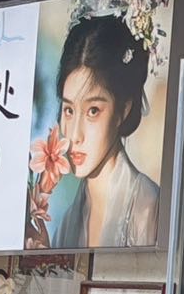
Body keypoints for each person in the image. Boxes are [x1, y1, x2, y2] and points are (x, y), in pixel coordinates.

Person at [51, 15, 160, 250]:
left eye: (93, 111)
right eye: (69, 110)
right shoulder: (68, 222)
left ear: (123, 109)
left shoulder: (147, 206)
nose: (75, 135)